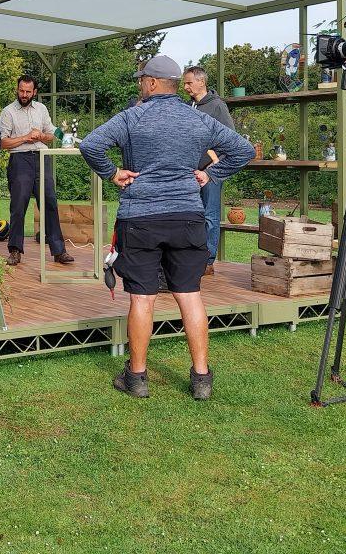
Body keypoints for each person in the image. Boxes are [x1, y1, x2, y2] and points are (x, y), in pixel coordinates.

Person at [79, 55, 254, 400]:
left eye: (142, 79)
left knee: (143, 297)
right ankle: (201, 379)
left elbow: (90, 145)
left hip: (140, 217)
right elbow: (243, 150)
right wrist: (209, 174)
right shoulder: (197, 117)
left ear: (153, 83)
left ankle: (137, 377)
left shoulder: (133, 116)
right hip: (187, 217)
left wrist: (113, 174)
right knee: (189, 295)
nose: (140, 84)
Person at [0, 75, 74, 267]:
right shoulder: (8, 112)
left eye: (28, 92)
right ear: (17, 89)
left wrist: (50, 135)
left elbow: (52, 134)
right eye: (21, 91)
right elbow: (3, 142)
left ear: (35, 92)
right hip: (20, 160)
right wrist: (25, 137)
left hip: (42, 158)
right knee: (18, 206)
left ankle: (59, 251)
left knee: (50, 203)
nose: (24, 94)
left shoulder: (41, 109)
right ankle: (15, 251)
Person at [183, 65, 237, 276]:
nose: (185, 87)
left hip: (211, 173)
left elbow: (231, 138)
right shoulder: (190, 106)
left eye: (189, 82)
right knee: (192, 214)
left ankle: (207, 261)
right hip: (191, 172)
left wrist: (215, 163)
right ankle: (192, 256)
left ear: (201, 82)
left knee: (210, 214)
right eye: (184, 83)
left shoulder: (217, 106)